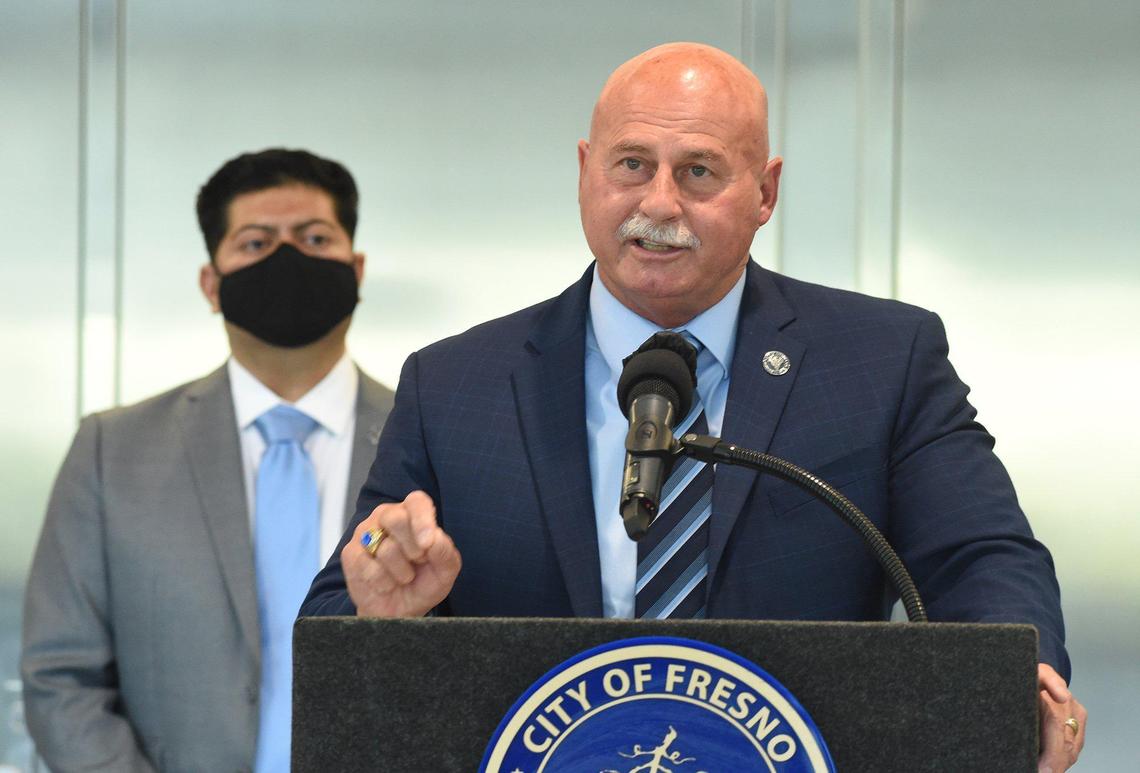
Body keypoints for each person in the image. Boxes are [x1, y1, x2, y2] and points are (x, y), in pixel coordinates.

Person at [300, 44, 1086, 770]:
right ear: (584, 170)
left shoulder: (882, 359)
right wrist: (381, 609)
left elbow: (980, 557)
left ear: (766, 191)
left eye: (700, 171)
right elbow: (351, 587)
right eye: (631, 164)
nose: (660, 202)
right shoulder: (455, 383)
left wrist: (1027, 677)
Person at [21, 148, 394, 772]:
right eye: (255, 242)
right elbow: (62, 677)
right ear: (210, 283)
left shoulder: (433, 435)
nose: (287, 258)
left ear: (355, 268)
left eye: (313, 237)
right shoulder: (112, 452)